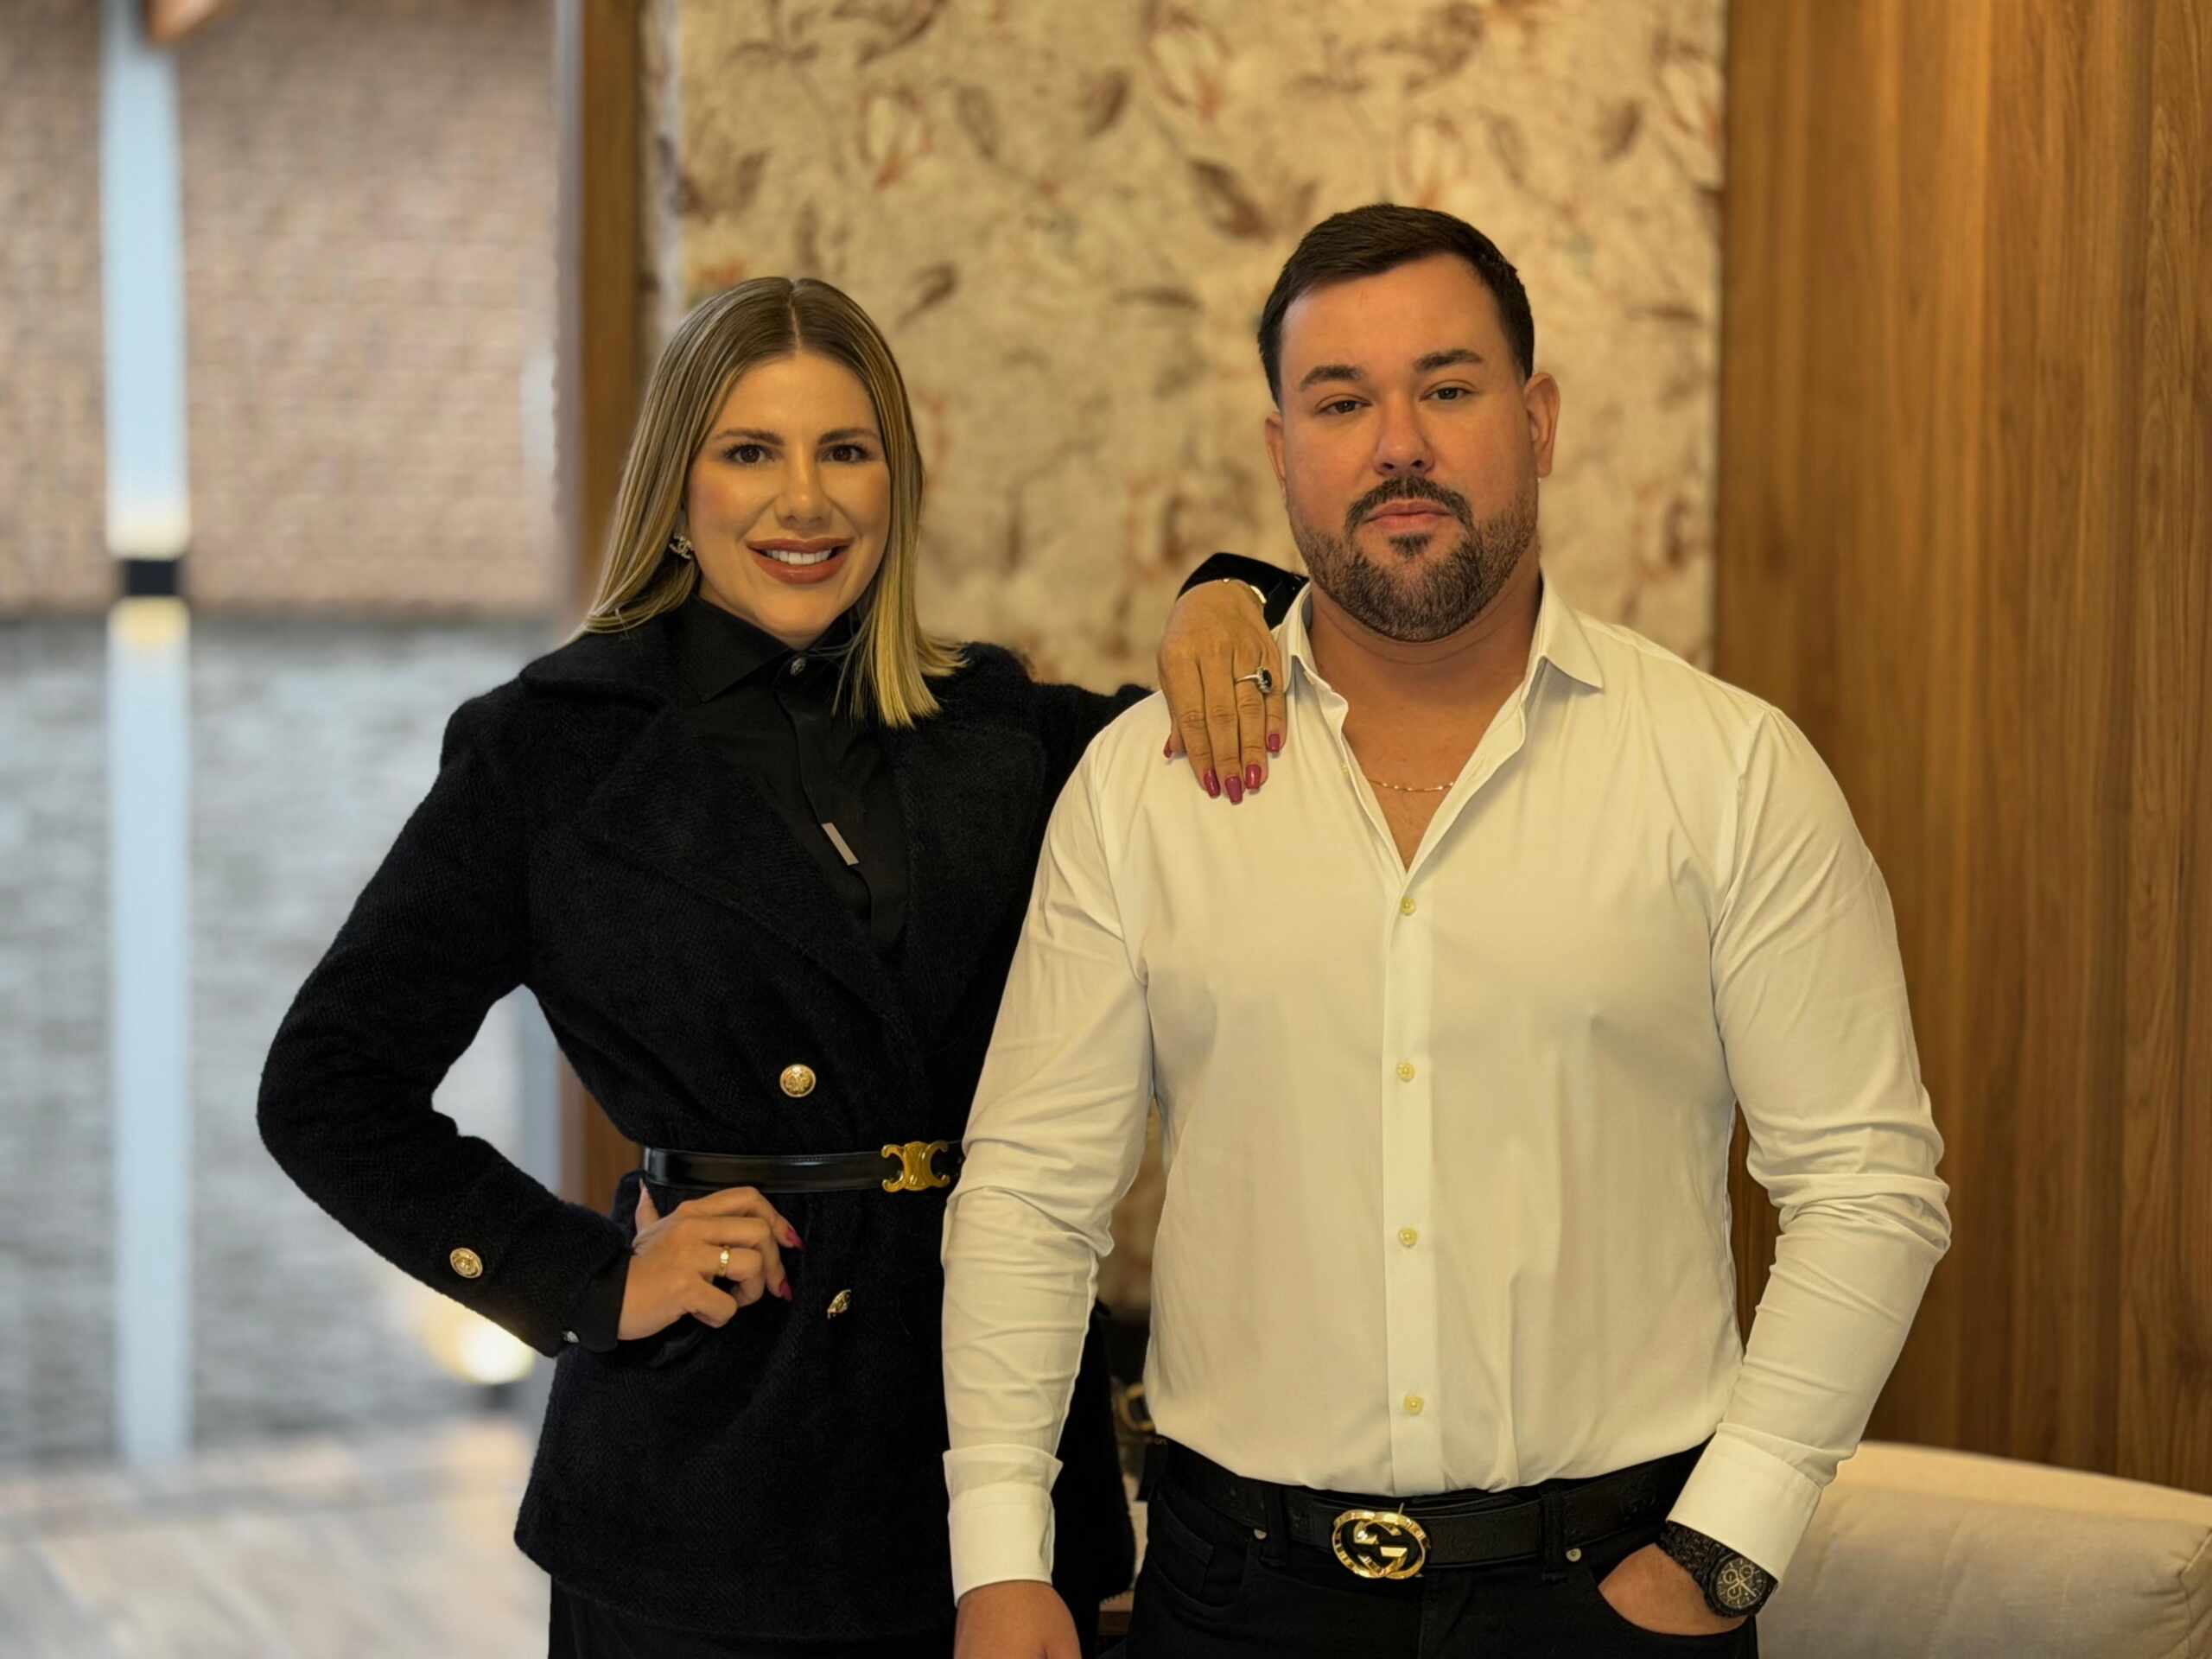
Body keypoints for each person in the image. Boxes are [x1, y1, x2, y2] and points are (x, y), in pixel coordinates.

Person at [941, 204, 1953, 1658]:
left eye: (1448, 388)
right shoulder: (1139, 787)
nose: (1398, 444)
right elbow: (1033, 1195)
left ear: (1536, 422)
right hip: (1234, 1603)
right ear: (1281, 448)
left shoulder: (1729, 772)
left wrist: (1722, 1551)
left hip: (1608, 1602)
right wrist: (1000, 1554)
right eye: (1341, 402)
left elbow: (1868, 1185)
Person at [257, 275, 1305, 1657]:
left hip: (985, 1467)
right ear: (676, 486)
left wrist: (1229, 594)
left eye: (844, 452)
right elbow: (326, 1086)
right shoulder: (550, 751)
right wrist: (585, 1279)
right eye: (750, 452)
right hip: (705, 1483)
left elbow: (1274, 694)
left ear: (896, 484)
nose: (802, 502)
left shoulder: (1000, 726)